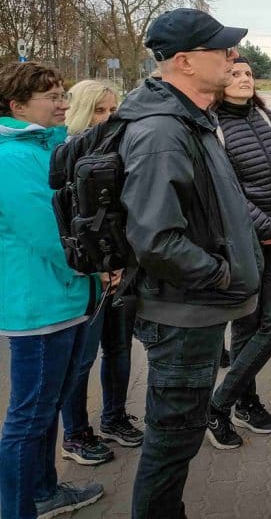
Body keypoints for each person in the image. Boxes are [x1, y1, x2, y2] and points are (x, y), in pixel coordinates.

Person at [119, 8, 262, 518]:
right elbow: (155, 238)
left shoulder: (189, 117)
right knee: (171, 444)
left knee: (177, 442)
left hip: (194, 310)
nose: (231, 56)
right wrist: (220, 276)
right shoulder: (162, 130)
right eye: (220, 49)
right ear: (184, 61)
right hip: (183, 315)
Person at [0, 62, 104, 519]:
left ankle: (44, 494)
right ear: (17, 106)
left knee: (46, 410)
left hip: (65, 297)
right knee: (27, 420)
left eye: (63, 93)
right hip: (39, 305)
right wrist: (99, 267)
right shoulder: (12, 158)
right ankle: (18, 508)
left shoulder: (46, 147)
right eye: (53, 97)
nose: (64, 103)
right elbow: (49, 232)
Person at [205, 57, 271, 448]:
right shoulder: (212, 127)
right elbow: (224, 192)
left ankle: (222, 404)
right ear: (218, 82)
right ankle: (239, 404)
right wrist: (268, 228)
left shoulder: (264, 118)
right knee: (249, 324)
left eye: (247, 74)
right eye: (234, 74)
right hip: (243, 243)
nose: (244, 79)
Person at [59, 81, 144, 468]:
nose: (106, 119)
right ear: (79, 112)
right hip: (88, 277)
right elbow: (65, 224)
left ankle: (114, 418)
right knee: (82, 359)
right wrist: (97, 269)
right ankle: (76, 434)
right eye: (98, 111)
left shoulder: (123, 149)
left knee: (120, 348)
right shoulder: (64, 156)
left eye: (112, 111)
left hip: (122, 268)